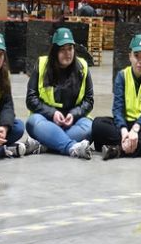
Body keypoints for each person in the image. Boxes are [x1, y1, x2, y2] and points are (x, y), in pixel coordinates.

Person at [91, 34, 141, 159]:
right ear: (130, 56)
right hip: (125, 125)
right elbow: (117, 107)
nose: (140, 60)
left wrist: (136, 129)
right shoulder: (122, 76)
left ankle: (117, 150)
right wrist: (124, 131)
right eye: (136, 55)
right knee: (97, 124)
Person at [25, 28, 95, 159]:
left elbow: (89, 100)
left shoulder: (83, 67)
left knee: (90, 126)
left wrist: (74, 115)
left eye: (70, 48)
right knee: (33, 121)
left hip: (72, 123)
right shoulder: (41, 65)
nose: (67, 53)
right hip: (46, 120)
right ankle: (71, 147)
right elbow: (31, 99)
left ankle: (48, 143)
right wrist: (52, 113)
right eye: (62, 49)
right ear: (55, 51)